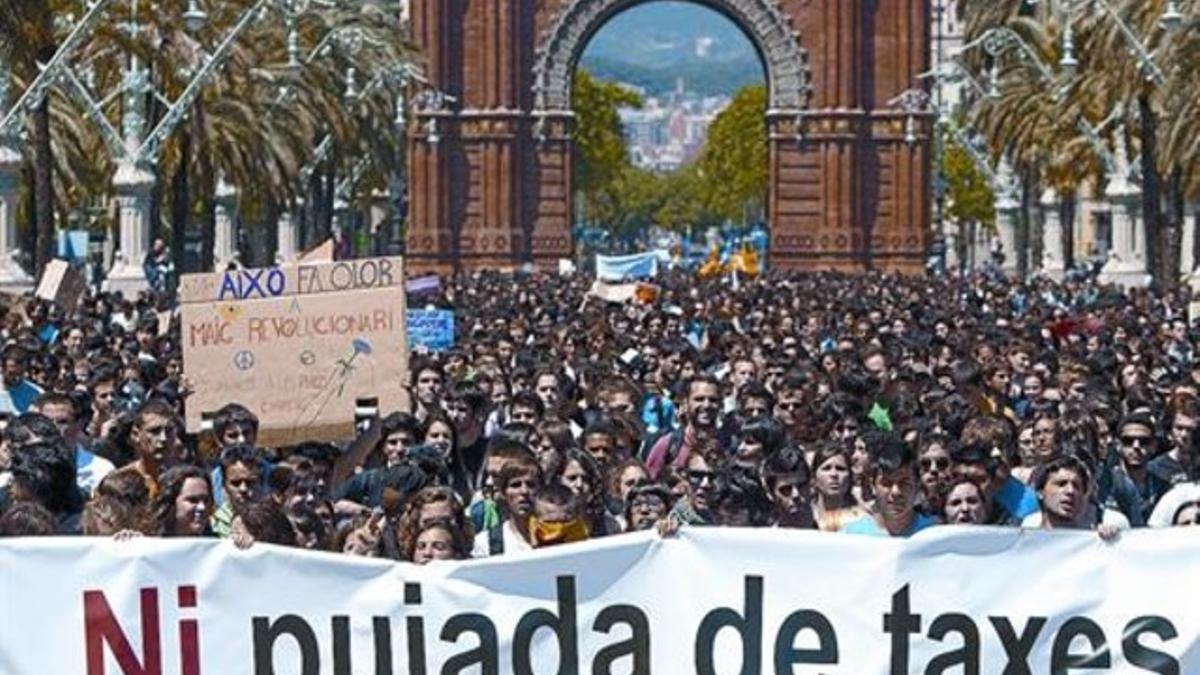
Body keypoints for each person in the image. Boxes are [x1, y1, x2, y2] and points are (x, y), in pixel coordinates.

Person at [841, 436, 938, 537]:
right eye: (886, 483)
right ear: (873, 486)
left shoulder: (934, 534)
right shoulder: (853, 536)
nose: (896, 492)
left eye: (904, 484)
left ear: (917, 486)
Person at [1021, 454, 1129, 534]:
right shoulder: (1025, 533)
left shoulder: (1096, 538)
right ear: (1040, 491)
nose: (1070, 491)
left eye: (1077, 486)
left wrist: (1112, 542)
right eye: (1061, 484)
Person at [472, 452, 542, 557]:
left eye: (531, 485)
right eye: (515, 485)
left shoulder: (559, 535)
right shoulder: (485, 543)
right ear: (503, 493)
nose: (524, 491)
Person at [810, 442, 867, 532]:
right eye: (826, 468)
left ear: (850, 477)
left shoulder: (862, 520)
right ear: (814, 478)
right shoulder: (805, 518)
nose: (834, 474)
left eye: (840, 469)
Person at [149, 465, 213, 537]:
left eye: (206, 501)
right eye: (193, 500)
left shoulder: (220, 546)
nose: (202, 507)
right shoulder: (149, 544)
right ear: (172, 503)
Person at [760, 446, 815, 528]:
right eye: (786, 489)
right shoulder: (765, 539)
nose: (796, 494)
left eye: (801, 486)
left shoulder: (834, 534)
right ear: (770, 494)